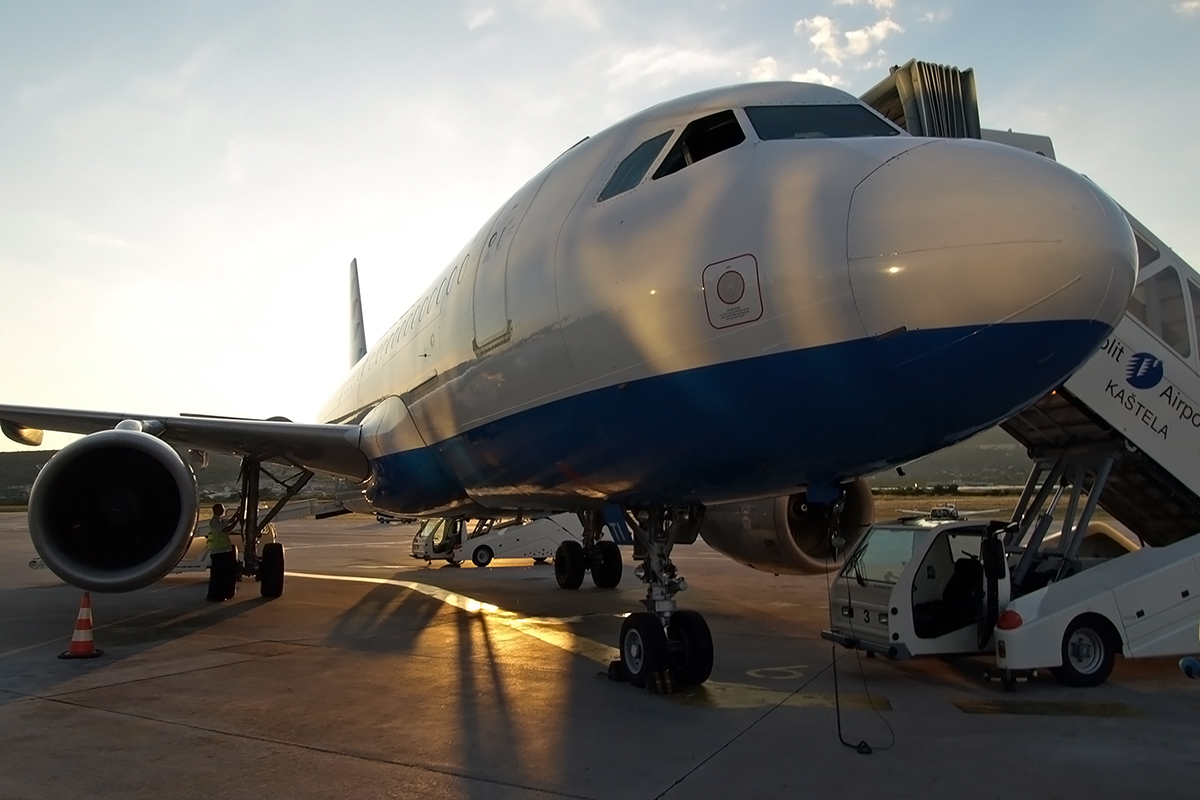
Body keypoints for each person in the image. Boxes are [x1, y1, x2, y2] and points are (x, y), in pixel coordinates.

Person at [205, 503, 240, 602]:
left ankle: (219, 594)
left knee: (222, 574)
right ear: (217, 510)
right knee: (218, 575)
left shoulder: (219, 520)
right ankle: (214, 595)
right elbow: (227, 529)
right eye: (222, 509)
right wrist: (237, 520)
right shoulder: (214, 522)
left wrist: (237, 514)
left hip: (223, 551)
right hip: (218, 552)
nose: (223, 510)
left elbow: (229, 521)